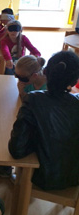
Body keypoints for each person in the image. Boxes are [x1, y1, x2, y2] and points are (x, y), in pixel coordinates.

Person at [9, 51, 79, 190]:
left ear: (45, 72)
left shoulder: (33, 99)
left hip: (43, 177)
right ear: (75, 81)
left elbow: (16, 150)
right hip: (75, 177)